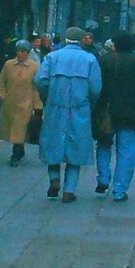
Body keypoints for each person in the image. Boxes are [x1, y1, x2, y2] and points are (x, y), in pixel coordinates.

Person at [33, 26, 102, 203]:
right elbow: (96, 88)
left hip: (55, 107)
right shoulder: (90, 59)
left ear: (65, 38)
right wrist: (89, 104)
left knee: (52, 144)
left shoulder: (52, 57)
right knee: (76, 149)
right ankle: (69, 190)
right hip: (80, 108)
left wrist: (47, 97)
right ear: (81, 39)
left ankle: (54, 178)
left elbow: (40, 80)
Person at [94, 31, 135, 200]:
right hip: (129, 112)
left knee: (104, 143)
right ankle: (120, 190)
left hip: (106, 110)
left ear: (115, 44)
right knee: (127, 150)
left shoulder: (104, 60)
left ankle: (104, 177)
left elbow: (97, 86)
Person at [0, 40, 42, 167]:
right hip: (10, 103)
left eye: (23, 51)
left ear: (27, 53)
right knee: (14, 131)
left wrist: (37, 107)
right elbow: (1, 81)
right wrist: (3, 97)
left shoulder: (34, 67)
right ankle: (19, 150)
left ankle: (16, 154)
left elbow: (36, 88)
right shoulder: (8, 65)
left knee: (19, 131)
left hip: (26, 104)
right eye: (18, 51)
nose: (20, 54)